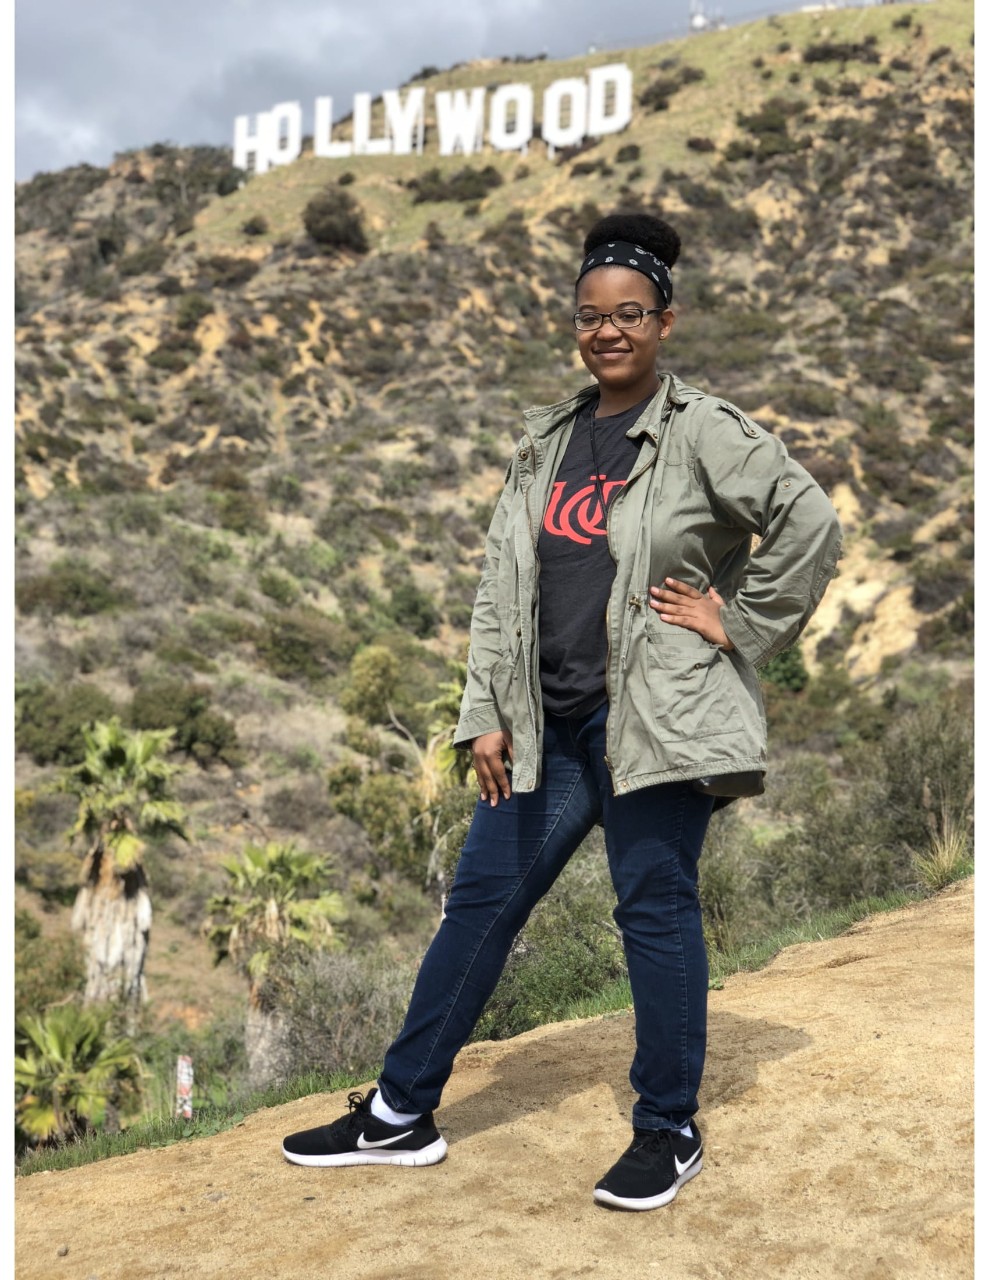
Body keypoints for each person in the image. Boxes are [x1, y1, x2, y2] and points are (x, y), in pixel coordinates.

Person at [282, 211, 842, 1211]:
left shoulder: (702, 429)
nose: (607, 330)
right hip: (546, 725)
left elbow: (809, 518)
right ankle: (400, 1113)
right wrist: (483, 711)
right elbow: (500, 590)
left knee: (652, 908)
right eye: (590, 315)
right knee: (479, 904)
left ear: (663, 321)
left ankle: (666, 1127)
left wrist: (739, 621)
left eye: (628, 313)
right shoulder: (543, 440)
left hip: (655, 722)